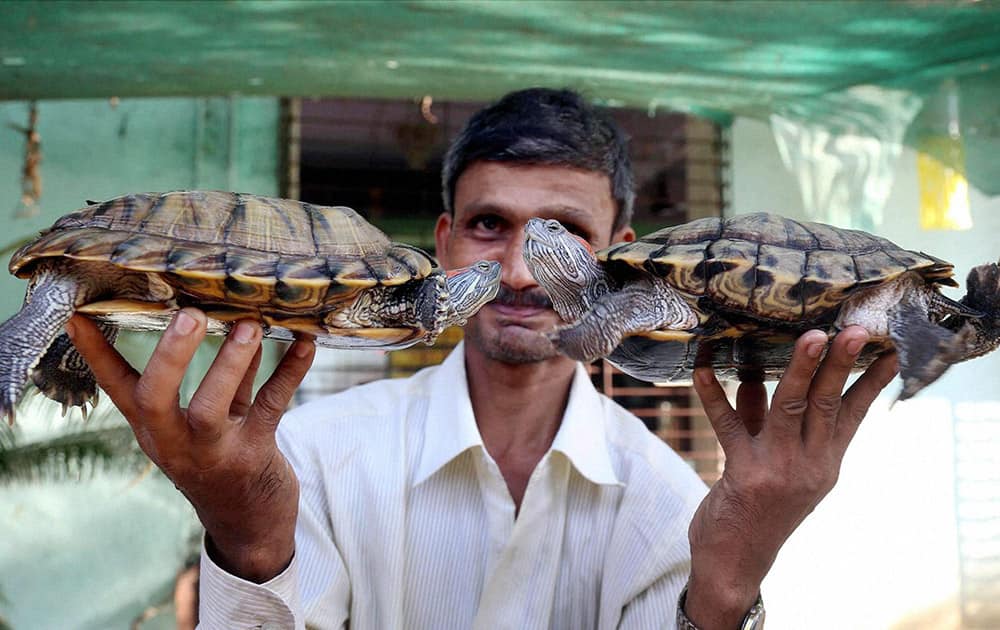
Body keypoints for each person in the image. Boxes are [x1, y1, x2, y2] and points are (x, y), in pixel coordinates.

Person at [67, 88, 899, 629]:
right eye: (488, 225)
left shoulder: (667, 502)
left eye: (563, 234)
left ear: (620, 255)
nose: (517, 273)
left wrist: (733, 572)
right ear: (443, 242)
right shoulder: (308, 457)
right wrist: (245, 528)